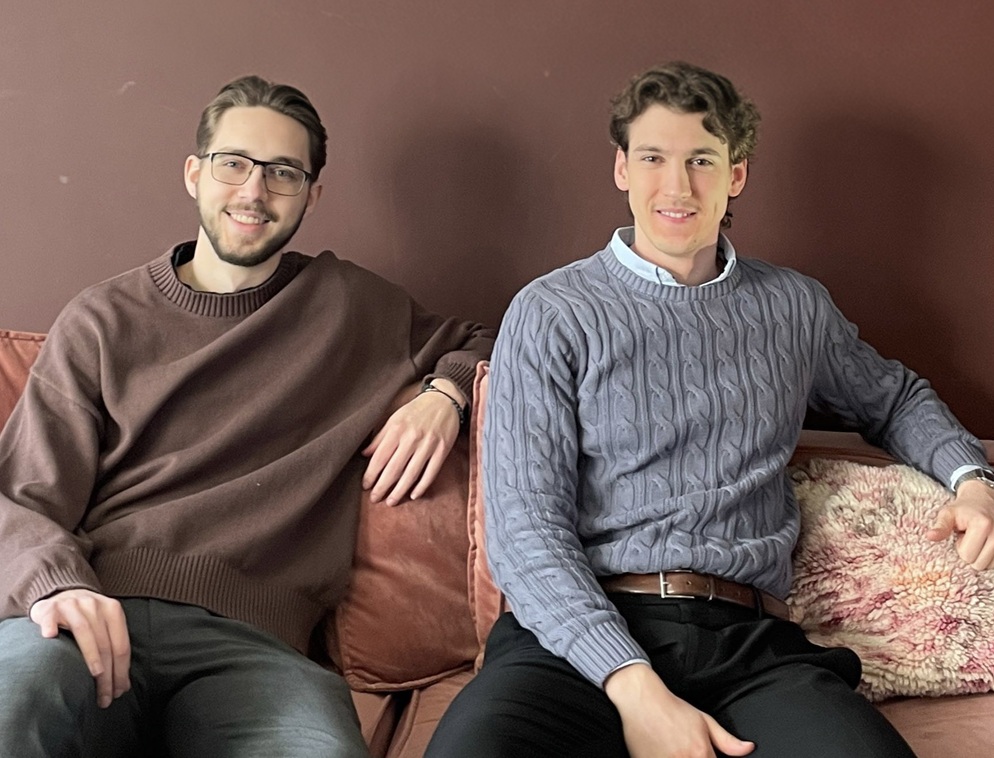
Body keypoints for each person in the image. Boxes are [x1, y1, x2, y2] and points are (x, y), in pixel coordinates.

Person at [425, 61, 994, 758]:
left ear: (736, 175)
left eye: (701, 160)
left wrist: (973, 480)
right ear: (621, 169)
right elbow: (526, 532)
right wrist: (634, 686)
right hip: (573, 643)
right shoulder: (551, 313)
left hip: (749, 643)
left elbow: (895, 398)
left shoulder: (793, 306)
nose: (677, 186)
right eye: (653, 158)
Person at [0, 75, 494, 757]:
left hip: (255, 651)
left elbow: (491, 340)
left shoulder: (350, 306)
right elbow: (20, 495)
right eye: (233, 163)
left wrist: (447, 395)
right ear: (194, 174)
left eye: (283, 172)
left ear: (311, 195)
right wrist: (53, 585)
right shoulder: (101, 319)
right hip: (91, 614)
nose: (255, 191)